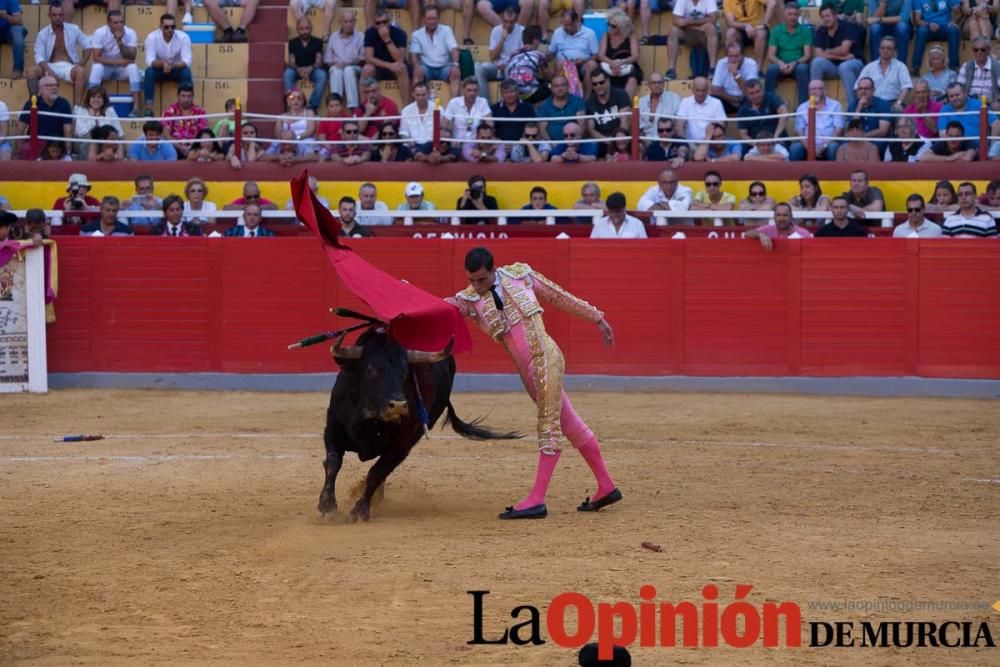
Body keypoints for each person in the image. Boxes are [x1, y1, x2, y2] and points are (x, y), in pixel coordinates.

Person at [446, 247, 621, 519]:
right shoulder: (469, 300)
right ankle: (606, 486)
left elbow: (559, 296)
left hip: (547, 358)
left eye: (481, 279)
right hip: (528, 374)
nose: (476, 286)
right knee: (570, 424)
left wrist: (596, 317)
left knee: (548, 425)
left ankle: (537, 500)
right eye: (472, 280)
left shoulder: (520, 276)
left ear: (493, 270)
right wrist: (405, 300)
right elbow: (439, 308)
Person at [28, 2, 87, 106]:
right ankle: (33, 103)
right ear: (49, 16)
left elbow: (88, 46)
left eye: (60, 15)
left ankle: (77, 107)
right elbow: (39, 56)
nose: (58, 18)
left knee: (81, 71)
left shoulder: (74, 29)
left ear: (63, 15)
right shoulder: (42, 34)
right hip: (50, 65)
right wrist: (50, 71)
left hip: (69, 66)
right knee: (31, 71)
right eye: (54, 15)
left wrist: (82, 63)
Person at [88, 10, 143, 116]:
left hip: (122, 70)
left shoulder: (130, 33)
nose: (120, 25)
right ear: (108, 23)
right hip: (106, 69)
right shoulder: (100, 33)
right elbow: (96, 58)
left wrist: (120, 42)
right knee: (96, 68)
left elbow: (132, 57)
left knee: (133, 67)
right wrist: (120, 61)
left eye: (122, 22)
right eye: (116, 23)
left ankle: (136, 107)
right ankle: (90, 106)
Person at [811, 4, 864, 108]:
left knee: (844, 67)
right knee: (816, 62)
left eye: (828, 16)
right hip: (834, 66)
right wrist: (840, 58)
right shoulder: (821, 31)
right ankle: (815, 103)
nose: (826, 19)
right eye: (823, 17)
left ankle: (853, 108)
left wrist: (827, 51)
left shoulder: (847, 26)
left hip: (854, 63)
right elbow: (818, 53)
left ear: (835, 16)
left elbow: (844, 50)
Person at [143, 14, 193, 117]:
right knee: (148, 72)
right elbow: (149, 60)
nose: (170, 29)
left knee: (186, 72)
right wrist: (163, 64)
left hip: (176, 69)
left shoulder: (183, 37)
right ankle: (149, 108)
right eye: (166, 27)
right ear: (160, 26)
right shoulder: (152, 37)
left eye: (172, 27)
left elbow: (187, 60)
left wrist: (172, 65)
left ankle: (187, 106)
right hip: (159, 69)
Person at [765, 3, 812, 105]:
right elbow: (771, 55)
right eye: (790, 14)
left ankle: (802, 107)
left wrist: (795, 63)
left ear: (799, 15)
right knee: (771, 70)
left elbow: (807, 55)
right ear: (785, 15)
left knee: (803, 69)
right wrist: (780, 63)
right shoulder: (776, 31)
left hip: (798, 63)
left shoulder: (805, 31)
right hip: (781, 63)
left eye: (795, 14)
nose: (792, 17)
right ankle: (770, 106)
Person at [361, 9, 411, 103]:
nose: (381, 25)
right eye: (378, 23)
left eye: (384, 22)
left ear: (390, 21)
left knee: (402, 68)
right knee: (367, 69)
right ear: (374, 23)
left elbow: (400, 58)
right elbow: (368, 58)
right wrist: (389, 65)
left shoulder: (400, 33)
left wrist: (387, 39)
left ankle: (406, 108)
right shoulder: (370, 33)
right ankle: (363, 107)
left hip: (395, 67)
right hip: (379, 67)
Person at [410, 5, 460, 98]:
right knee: (417, 72)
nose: (432, 21)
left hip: (444, 66)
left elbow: (454, 49)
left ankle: (454, 106)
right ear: (424, 19)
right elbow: (414, 54)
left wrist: (455, 65)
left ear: (438, 18)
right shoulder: (416, 34)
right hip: (426, 67)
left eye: (434, 18)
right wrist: (417, 66)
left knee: (455, 73)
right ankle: (417, 105)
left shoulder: (446, 30)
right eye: (429, 19)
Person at [17, 76, 72, 160]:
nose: (54, 88)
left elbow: (68, 129)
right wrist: (19, 150)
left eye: (56, 85)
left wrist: (68, 152)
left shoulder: (64, 103)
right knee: (25, 149)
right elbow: (20, 128)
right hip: (37, 141)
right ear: (41, 89)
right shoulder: (32, 102)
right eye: (50, 85)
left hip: (56, 143)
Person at [789, 80, 844, 161]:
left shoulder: (835, 105)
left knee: (833, 148)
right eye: (812, 89)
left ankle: (832, 173)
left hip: (828, 144)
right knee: (795, 148)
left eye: (818, 88)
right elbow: (799, 132)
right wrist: (809, 147)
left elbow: (838, 129)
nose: (814, 92)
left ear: (825, 90)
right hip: (807, 145)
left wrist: (824, 146)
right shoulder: (802, 107)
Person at [548, 10, 599, 97]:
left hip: (583, 64)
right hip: (564, 64)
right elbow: (552, 53)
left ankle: (587, 99)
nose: (565, 28)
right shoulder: (558, 32)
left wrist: (583, 60)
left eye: (568, 25)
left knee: (592, 65)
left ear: (576, 21)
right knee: (559, 63)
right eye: (563, 24)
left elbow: (596, 55)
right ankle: (558, 97)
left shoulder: (589, 33)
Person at [666, 0, 721, 80]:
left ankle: (712, 69)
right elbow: (675, 21)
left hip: (705, 34)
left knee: (710, 28)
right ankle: (671, 70)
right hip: (690, 32)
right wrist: (698, 27)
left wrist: (689, 22)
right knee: (673, 31)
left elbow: (713, 20)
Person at [476, 6, 523, 98]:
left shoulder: (522, 31)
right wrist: (502, 40)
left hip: (513, 68)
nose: (508, 25)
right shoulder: (496, 31)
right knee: (479, 68)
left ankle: (507, 103)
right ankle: (485, 104)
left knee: (508, 67)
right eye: (506, 22)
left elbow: (521, 57)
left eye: (511, 22)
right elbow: (492, 57)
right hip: (497, 68)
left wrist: (508, 64)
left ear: (516, 20)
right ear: (501, 19)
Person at [584, 70, 632, 157]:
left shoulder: (621, 95)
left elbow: (625, 122)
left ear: (608, 81)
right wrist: (607, 140)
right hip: (601, 140)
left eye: (601, 82)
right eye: (595, 84)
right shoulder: (589, 102)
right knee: (590, 146)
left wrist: (616, 140)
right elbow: (591, 129)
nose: (598, 86)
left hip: (621, 138)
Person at [325, 10, 365, 112]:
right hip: (337, 66)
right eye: (345, 22)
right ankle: (335, 105)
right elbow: (328, 60)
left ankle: (353, 107)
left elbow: (362, 58)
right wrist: (337, 64)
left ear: (355, 22)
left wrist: (348, 63)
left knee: (348, 70)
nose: (348, 24)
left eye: (351, 21)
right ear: (340, 22)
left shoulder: (360, 36)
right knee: (335, 70)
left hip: (354, 67)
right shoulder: (333, 37)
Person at [857, 36, 912, 110]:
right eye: (883, 48)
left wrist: (898, 102)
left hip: (892, 103)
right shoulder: (869, 67)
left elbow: (906, 87)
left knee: (902, 118)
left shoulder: (901, 66)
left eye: (889, 48)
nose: (885, 50)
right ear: (879, 49)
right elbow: (857, 87)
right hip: (872, 104)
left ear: (894, 51)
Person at [285, 17, 327, 112]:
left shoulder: (318, 42)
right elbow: (291, 62)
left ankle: (313, 106)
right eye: (302, 29)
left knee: (322, 75)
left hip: (313, 70)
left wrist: (309, 69)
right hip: (297, 70)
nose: (305, 31)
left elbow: (319, 62)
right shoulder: (292, 43)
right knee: (287, 73)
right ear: (297, 30)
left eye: (307, 28)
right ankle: (291, 103)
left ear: (311, 28)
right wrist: (299, 70)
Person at [598, 9, 642, 97]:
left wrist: (621, 63)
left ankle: (625, 106)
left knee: (632, 79)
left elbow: (635, 56)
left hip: (627, 65)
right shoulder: (606, 35)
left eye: (613, 26)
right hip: (609, 65)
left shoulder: (631, 35)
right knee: (600, 77)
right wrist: (612, 63)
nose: (610, 27)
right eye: (608, 25)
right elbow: (601, 56)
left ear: (622, 26)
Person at [736, 79, 787, 153]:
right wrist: (758, 145)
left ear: (762, 90)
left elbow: (784, 113)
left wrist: (775, 138)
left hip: (776, 141)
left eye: (757, 92)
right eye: (751, 93)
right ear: (747, 95)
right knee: (742, 149)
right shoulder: (743, 109)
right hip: (756, 145)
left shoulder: (771, 97)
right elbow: (743, 135)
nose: (756, 95)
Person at [72, 86, 123, 161]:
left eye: (99, 97)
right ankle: (86, 165)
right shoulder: (81, 110)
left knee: (117, 141)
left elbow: (119, 131)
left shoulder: (110, 111)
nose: (96, 100)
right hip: (87, 139)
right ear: (88, 99)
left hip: (107, 139)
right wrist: (101, 134)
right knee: (89, 140)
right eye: (93, 97)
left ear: (103, 100)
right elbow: (81, 131)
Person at [912, 0, 960, 74]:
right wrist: (928, 24)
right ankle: (916, 67)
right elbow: (917, 20)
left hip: (944, 27)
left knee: (953, 30)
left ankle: (953, 66)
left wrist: (953, 22)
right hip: (928, 27)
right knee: (921, 31)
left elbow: (958, 13)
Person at [443, 77, 493, 147]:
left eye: (475, 90)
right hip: (457, 144)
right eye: (469, 90)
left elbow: (490, 124)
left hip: (477, 144)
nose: (472, 93)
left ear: (478, 91)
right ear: (463, 90)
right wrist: (450, 141)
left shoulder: (483, 102)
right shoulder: (454, 102)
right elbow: (444, 124)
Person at [711, 42, 759, 113]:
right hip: (727, 99)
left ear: (743, 55)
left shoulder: (751, 64)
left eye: (736, 56)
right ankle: (719, 124)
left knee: (752, 99)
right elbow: (715, 89)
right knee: (712, 100)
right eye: (730, 56)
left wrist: (736, 75)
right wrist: (733, 98)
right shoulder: (721, 63)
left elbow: (750, 91)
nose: (733, 60)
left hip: (744, 100)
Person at [724, 0, 775, 67]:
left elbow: (772, 3)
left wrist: (764, 23)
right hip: (741, 28)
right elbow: (730, 22)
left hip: (758, 27)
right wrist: (746, 26)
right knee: (730, 33)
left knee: (760, 33)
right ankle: (732, 66)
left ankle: (758, 69)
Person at [162, 83, 207, 159]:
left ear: (193, 97)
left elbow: (203, 133)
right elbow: (166, 133)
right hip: (174, 146)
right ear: (178, 96)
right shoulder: (170, 110)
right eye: (183, 96)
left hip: (194, 147)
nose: (186, 99)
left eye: (189, 96)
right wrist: (180, 147)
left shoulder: (200, 111)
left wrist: (192, 147)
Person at [676, 77, 726, 143]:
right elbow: (679, 123)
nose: (700, 94)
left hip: (711, 143)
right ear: (692, 89)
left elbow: (721, 124)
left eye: (703, 90)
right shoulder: (685, 102)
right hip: (690, 143)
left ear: (708, 90)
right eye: (698, 90)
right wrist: (684, 142)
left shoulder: (716, 102)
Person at [744, 202, 814, 250]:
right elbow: (747, 234)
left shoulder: (803, 233)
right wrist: (760, 235)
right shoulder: (768, 229)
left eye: (785, 215)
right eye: (778, 215)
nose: (781, 218)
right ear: (774, 217)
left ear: (791, 217)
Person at [538, 75, 586, 142]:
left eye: (563, 85)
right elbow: (542, 129)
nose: (560, 88)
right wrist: (552, 144)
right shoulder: (545, 105)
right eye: (556, 86)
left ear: (568, 87)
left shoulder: (577, 101)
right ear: (551, 88)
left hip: (575, 143)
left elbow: (582, 124)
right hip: (552, 144)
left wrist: (574, 143)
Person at [955, 35, 1000, 107]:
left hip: (991, 104)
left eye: (983, 49)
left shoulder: (997, 66)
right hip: (969, 104)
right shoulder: (966, 66)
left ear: (988, 50)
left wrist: (992, 100)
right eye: (976, 50)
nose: (979, 52)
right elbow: (959, 88)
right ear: (973, 51)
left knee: (997, 106)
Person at [491, 79, 537, 143]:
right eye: (506, 92)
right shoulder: (494, 109)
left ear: (517, 92)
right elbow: (491, 130)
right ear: (501, 94)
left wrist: (517, 145)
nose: (509, 95)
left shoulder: (528, 107)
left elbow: (533, 129)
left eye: (512, 92)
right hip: (500, 146)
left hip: (523, 144)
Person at [638, 72, 681, 141]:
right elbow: (638, 127)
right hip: (646, 140)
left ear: (663, 84)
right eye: (653, 83)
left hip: (668, 140)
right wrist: (646, 142)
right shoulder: (641, 102)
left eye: (659, 82)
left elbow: (678, 125)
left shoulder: (675, 99)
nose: (656, 85)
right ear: (648, 85)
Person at [0, 0, 27, 80]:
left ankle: (18, 69)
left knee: (17, 30)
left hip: (9, 31)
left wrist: (5, 16)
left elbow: (19, 21)